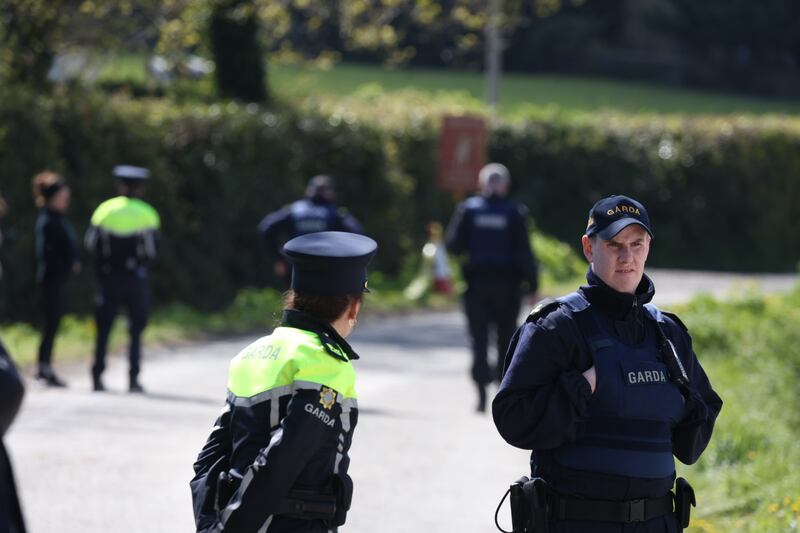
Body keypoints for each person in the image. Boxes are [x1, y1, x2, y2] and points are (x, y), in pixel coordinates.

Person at [492, 195, 723, 532]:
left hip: (657, 524)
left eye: (636, 244)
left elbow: (695, 434)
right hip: (577, 522)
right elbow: (513, 417)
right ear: (589, 247)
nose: (627, 257)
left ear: (648, 247)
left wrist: (672, 396)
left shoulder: (667, 334)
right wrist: (580, 388)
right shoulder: (556, 327)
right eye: (614, 244)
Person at [190, 231, 377, 533]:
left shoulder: (251, 354)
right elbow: (285, 457)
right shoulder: (325, 361)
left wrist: (211, 525)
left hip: (237, 519)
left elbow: (209, 459)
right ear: (353, 307)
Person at [445, 163, 539, 412]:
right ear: (506, 185)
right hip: (508, 287)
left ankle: (480, 393)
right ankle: (502, 390)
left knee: (479, 340)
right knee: (506, 339)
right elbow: (525, 253)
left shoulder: (468, 209)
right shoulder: (515, 212)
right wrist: (533, 285)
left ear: (481, 184)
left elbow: (453, 246)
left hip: (477, 286)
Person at [84, 165, 160, 393]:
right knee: (136, 329)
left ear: (120, 186)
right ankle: (133, 378)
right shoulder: (147, 213)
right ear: (140, 189)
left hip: (109, 277)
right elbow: (153, 251)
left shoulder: (104, 210)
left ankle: (97, 376)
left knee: (104, 327)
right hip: (135, 278)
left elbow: (90, 244)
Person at [258, 175, 363, 289]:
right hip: (327, 272)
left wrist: (279, 258)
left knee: (294, 303)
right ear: (330, 193)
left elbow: (265, 227)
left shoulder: (293, 211)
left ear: (308, 191)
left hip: (296, 272)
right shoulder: (335, 213)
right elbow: (357, 233)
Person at [32, 171, 81, 387]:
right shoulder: (48, 221)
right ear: (53, 198)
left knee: (53, 324)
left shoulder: (57, 219)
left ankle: (46, 366)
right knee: (49, 324)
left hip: (58, 280)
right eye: (63, 197)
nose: (66, 201)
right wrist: (67, 265)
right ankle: (44, 367)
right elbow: (47, 253)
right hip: (52, 280)